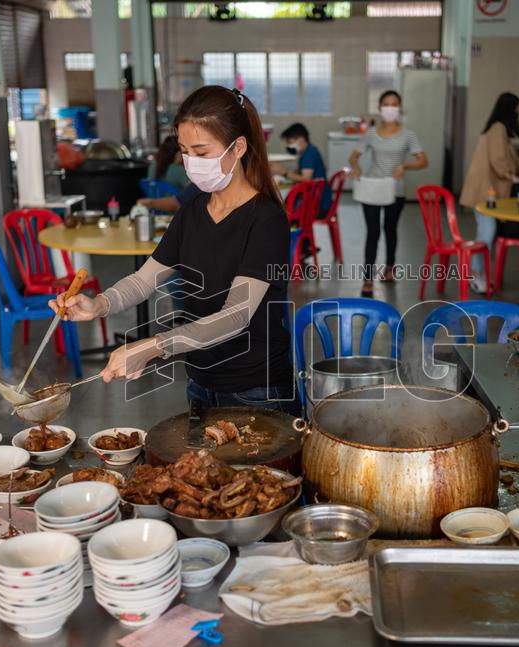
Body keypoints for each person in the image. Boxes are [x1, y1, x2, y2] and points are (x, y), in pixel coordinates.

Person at [52, 85, 298, 416]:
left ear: (238, 147)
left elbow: (235, 316)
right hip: (200, 381)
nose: (190, 163)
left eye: (202, 152)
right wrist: (100, 304)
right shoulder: (193, 209)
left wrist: (156, 346)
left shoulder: (266, 220)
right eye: (185, 151)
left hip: (257, 389)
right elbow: (144, 280)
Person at [349, 90, 427, 298]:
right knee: (372, 233)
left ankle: (390, 267)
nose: (390, 108)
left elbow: (423, 160)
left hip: (395, 189)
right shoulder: (371, 133)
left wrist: (406, 167)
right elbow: (354, 156)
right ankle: (367, 279)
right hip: (372, 187)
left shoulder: (408, 134)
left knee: (390, 229)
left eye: (394, 104)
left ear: (399, 108)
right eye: (386, 104)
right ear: (380, 108)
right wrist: (356, 168)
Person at [460, 92, 519, 294]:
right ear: (509, 109)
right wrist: (513, 177)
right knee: (486, 233)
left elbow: (511, 157)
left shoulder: (500, 129)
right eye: (517, 109)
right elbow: (498, 160)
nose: (518, 113)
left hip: (489, 192)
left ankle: (480, 274)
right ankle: (475, 275)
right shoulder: (498, 128)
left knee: (487, 233)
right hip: (484, 193)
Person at [272, 123, 332, 217]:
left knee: (279, 209)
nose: (289, 145)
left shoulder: (309, 154)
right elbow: (298, 174)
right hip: (316, 199)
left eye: (290, 142)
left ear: (301, 140)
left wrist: (283, 172)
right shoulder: (307, 152)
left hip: (318, 204)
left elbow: (306, 178)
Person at [139, 136, 192, 213]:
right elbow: (193, 192)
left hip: (155, 212)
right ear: (178, 153)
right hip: (175, 213)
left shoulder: (153, 166)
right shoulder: (179, 171)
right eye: (184, 152)